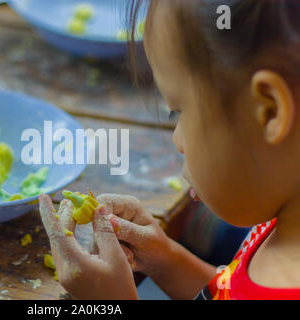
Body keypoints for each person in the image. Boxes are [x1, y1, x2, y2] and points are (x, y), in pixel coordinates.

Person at [38, 0, 300, 300]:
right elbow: (232, 290)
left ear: (268, 111)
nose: (177, 139)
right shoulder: (286, 218)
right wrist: (166, 259)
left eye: (179, 111)